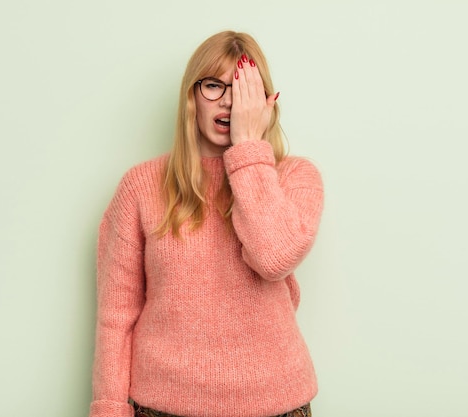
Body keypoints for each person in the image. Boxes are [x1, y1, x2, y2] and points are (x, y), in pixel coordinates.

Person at [89, 31, 324, 417]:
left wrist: (247, 148)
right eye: (215, 85)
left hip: (278, 405)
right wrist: (109, 409)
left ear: (266, 102)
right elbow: (117, 318)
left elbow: (274, 258)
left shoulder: (295, 177)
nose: (230, 100)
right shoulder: (141, 186)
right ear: (191, 95)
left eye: (243, 87)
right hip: (162, 407)